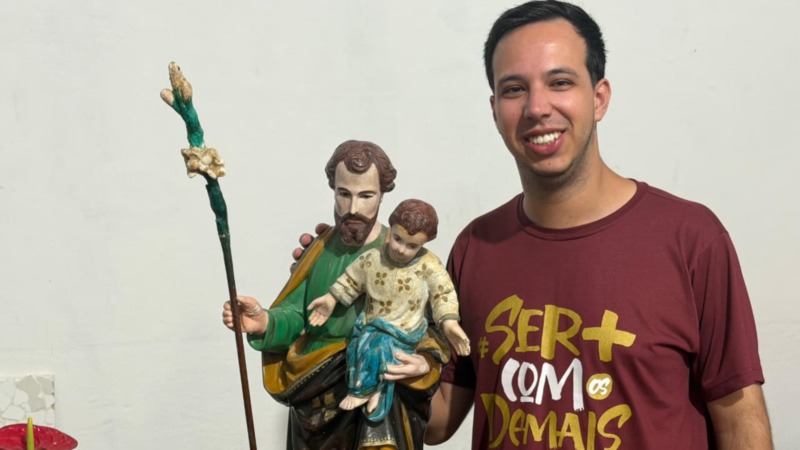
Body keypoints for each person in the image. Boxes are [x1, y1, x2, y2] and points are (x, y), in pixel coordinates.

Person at [416, 1, 772, 449]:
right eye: (514, 89)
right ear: (494, 110)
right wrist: (352, 320)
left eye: (560, 82)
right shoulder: (476, 246)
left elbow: (739, 418)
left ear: (599, 98)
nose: (536, 107)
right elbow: (437, 421)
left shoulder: (691, 240)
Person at [222, 140, 448, 449]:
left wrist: (424, 362)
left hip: (381, 398)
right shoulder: (318, 249)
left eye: (366, 196)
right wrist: (264, 323)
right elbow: (297, 316)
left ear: (383, 195)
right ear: (333, 190)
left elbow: (433, 328)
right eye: (344, 194)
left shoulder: (409, 258)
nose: (353, 208)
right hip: (318, 398)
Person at [307, 199, 471, 422]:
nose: (401, 249)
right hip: (371, 323)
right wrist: (331, 299)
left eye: (411, 246)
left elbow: (443, 294)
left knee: (379, 348)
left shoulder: (429, 266)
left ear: (423, 244)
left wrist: (450, 323)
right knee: (357, 349)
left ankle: (366, 391)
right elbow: (351, 280)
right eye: (397, 239)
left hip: (405, 331)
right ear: (391, 229)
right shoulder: (373, 258)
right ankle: (374, 390)